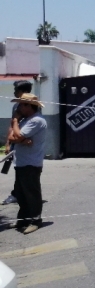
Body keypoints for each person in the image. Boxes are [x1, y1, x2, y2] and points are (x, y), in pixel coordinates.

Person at [7, 93, 46, 234]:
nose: (18, 108)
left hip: (31, 163)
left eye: (21, 104)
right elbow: (12, 137)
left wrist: (15, 121)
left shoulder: (36, 120)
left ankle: (35, 220)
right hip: (21, 162)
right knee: (21, 193)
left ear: (29, 106)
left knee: (32, 193)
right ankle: (22, 219)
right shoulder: (26, 120)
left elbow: (17, 135)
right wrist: (23, 140)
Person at [3, 80, 32, 206]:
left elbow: (32, 125)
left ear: (24, 92)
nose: (14, 92)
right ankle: (17, 193)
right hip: (17, 141)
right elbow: (12, 124)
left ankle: (19, 194)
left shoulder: (31, 105)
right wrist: (8, 143)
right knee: (17, 168)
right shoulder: (16, 106)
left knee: (26, 170)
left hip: (25, 142)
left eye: (17, 90)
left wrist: (26, 139)